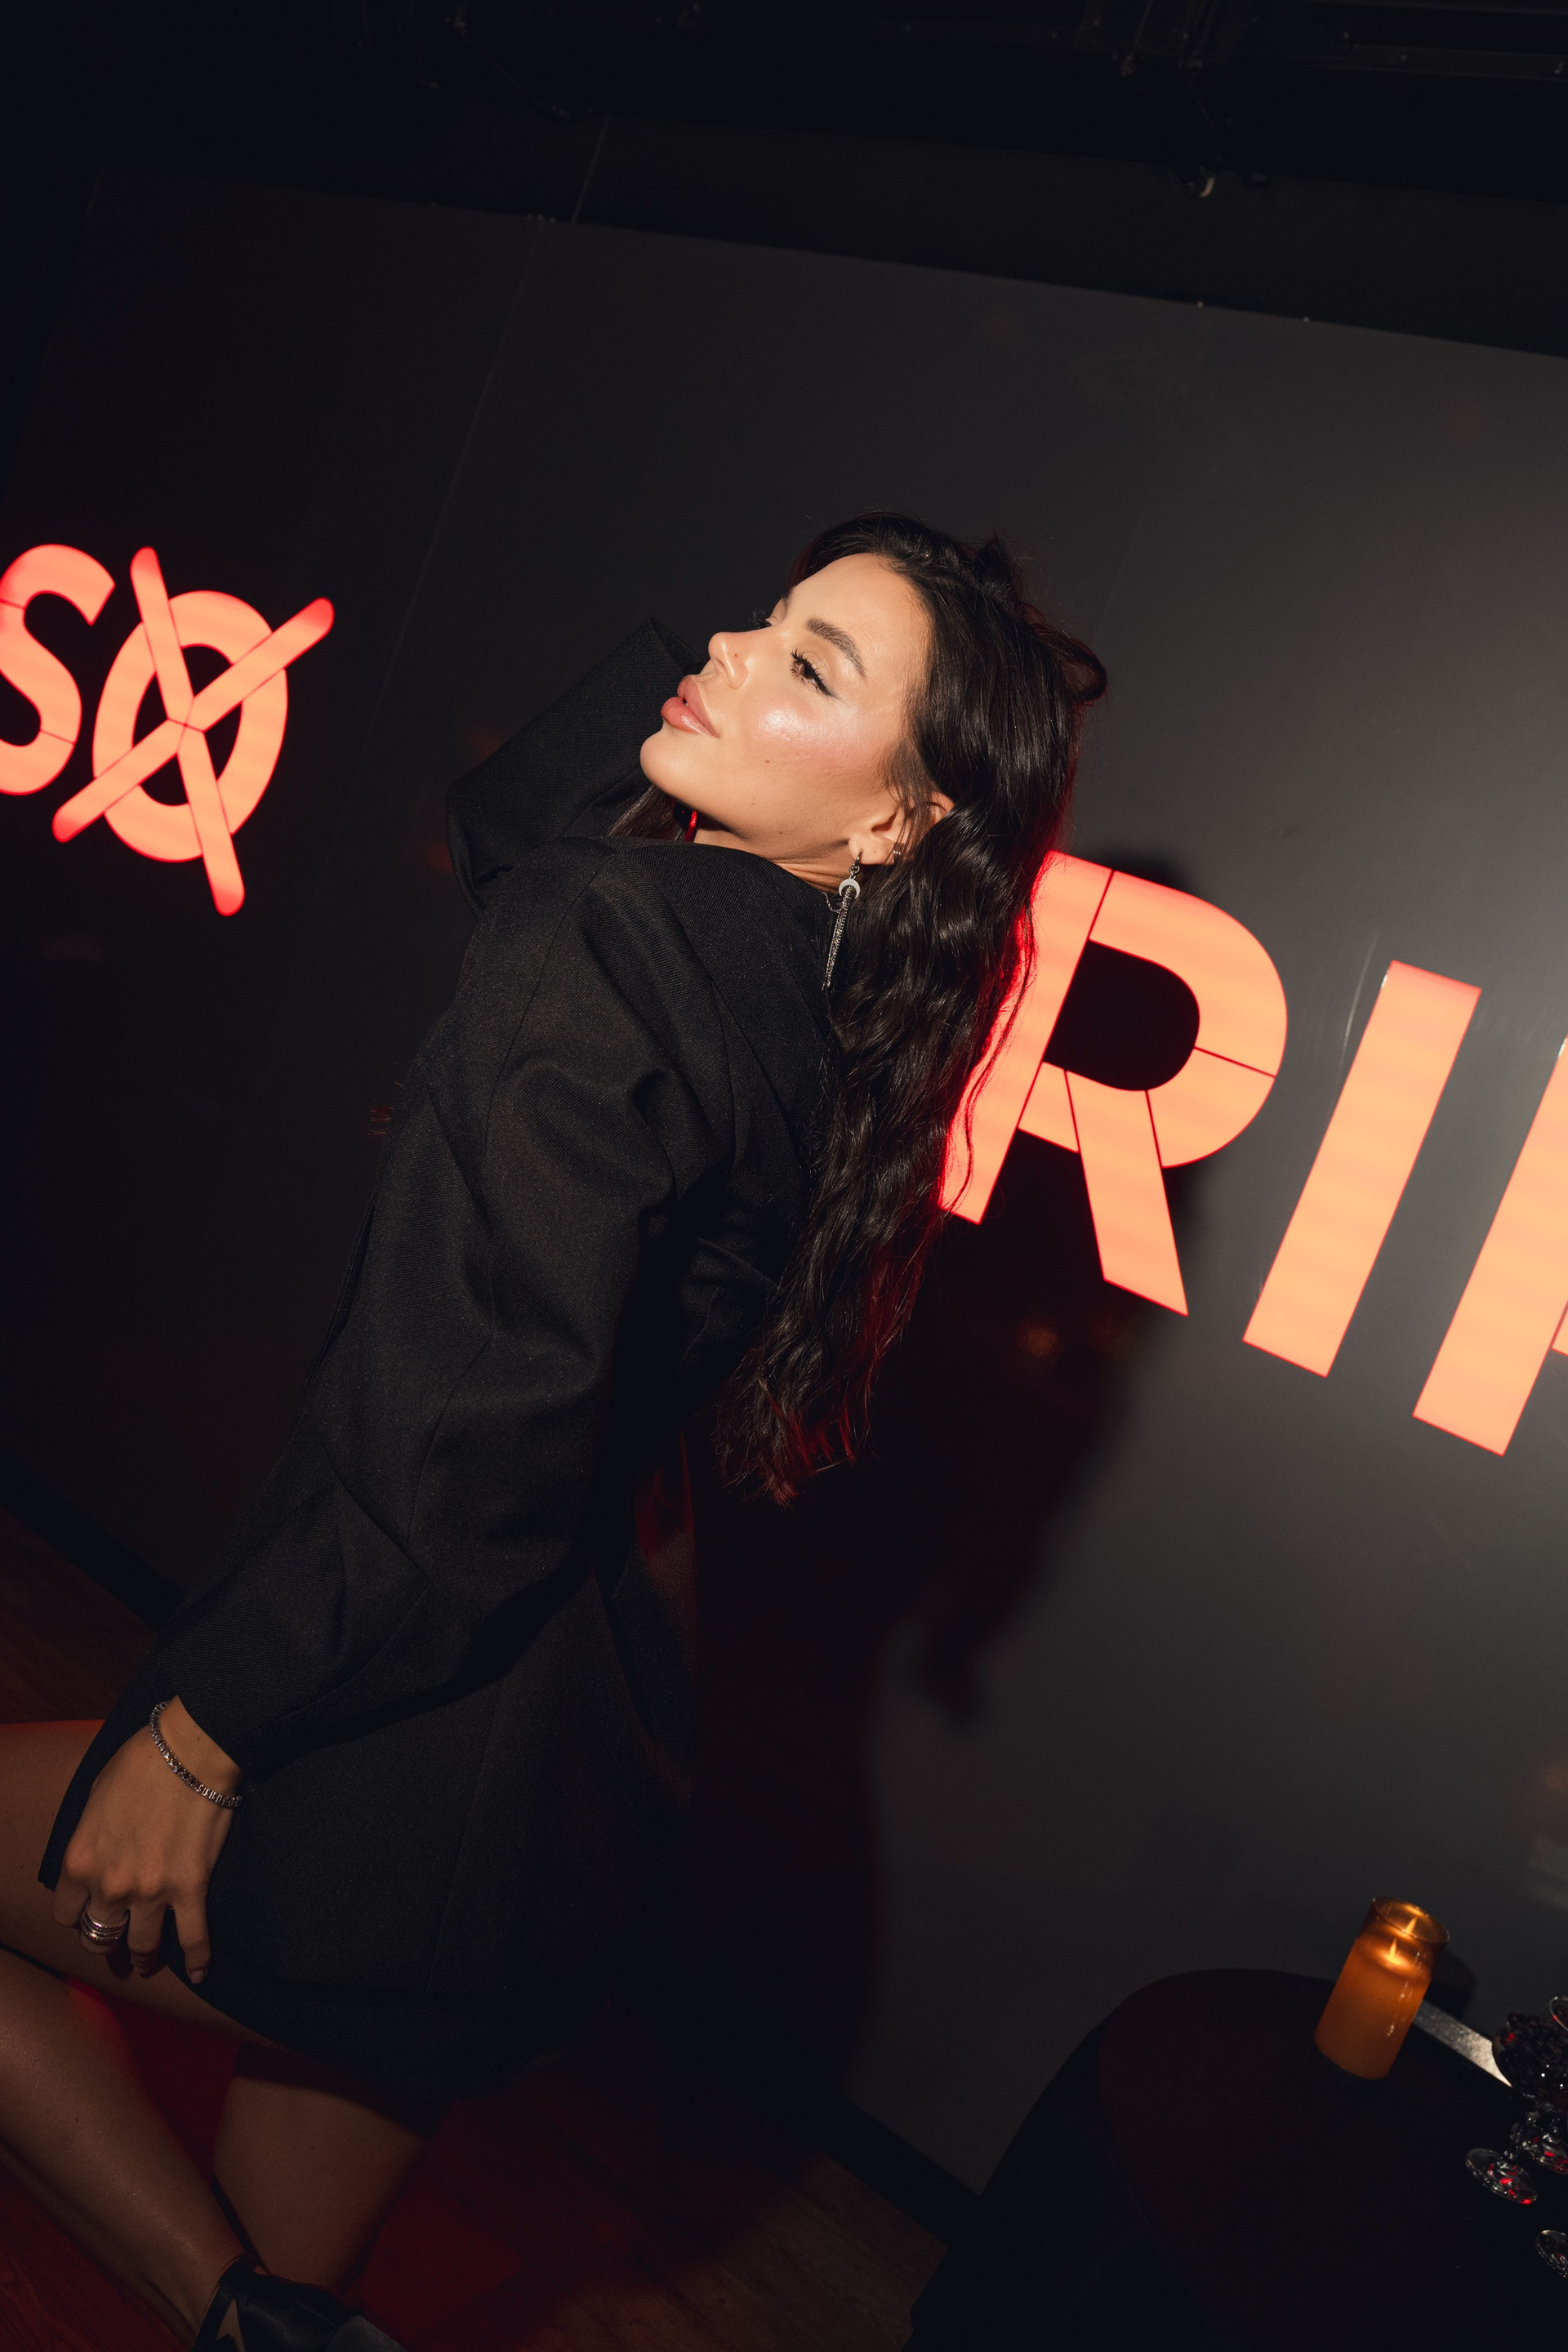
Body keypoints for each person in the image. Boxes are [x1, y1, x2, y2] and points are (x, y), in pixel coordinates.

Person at [0, 513, 1103, 2349]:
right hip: (543, 1812)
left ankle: (228, 2310)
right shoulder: (827, 1010)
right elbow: (522, 831)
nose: (733, 650)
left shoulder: (613, 938)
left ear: (900, 824)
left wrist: (200, 1737)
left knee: (248, 2294)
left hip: (385, 1760)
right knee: (297, 2278)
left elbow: (474, 1455)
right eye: (762, 615)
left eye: (811, 665)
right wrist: (735, 683)